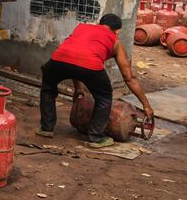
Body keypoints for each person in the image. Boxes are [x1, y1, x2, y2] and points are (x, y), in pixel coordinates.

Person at [37, 13, 154, 148]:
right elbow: (129, 78)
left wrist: (79, 88)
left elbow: (74, 58)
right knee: (104, 97)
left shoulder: (82, 28)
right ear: (118, 31)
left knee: (48, 89)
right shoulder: (115, 42)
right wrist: (146, 105)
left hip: (58, 60)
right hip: (90, 65)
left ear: (100, 23)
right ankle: (96, 137)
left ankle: (46, 129)